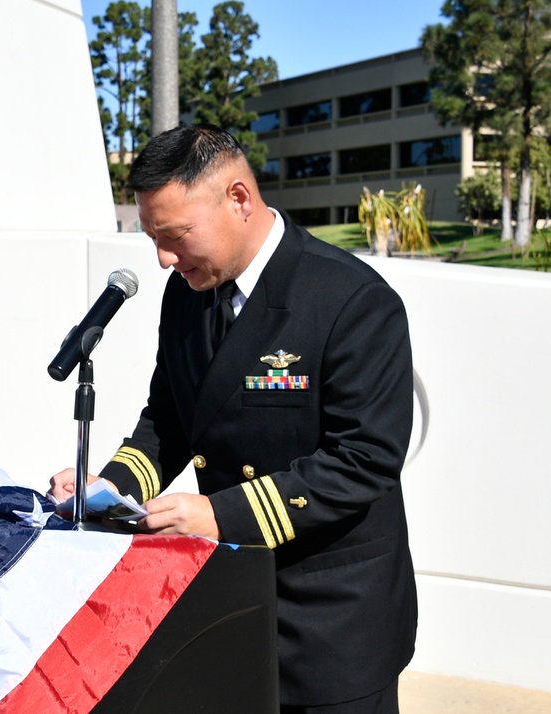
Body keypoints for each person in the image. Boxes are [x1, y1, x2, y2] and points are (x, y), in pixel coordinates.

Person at [50, 123, 417, 713]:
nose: (165, 258)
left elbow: (364, 461)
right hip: (232, 596)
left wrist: (220, 513)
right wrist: (110, 487)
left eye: (176, 235)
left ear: (239, 199)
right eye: (153, 239)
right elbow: (171, 416)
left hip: (334, 615)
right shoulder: (188, 292)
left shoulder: (351, 301)